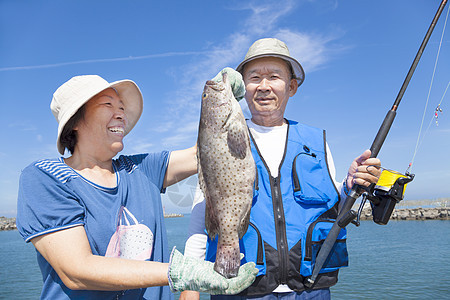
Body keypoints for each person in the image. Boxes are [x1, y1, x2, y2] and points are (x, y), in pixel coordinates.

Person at [16, 75, 258, 299]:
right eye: (107, 105)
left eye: (122, 107)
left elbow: (211, 149)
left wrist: (222, 92)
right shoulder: (45, 177)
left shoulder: (142, 169)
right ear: (75, 121)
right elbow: (76, 270)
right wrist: (181, 272)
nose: (120, 113)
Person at [179, 38, 382, 300]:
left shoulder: (315, 142)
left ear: (292, 86)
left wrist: (351, 184)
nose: (263, 86)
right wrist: (190, 288)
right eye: (254, 78)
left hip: (311, 290)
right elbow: (201, 218)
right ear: (242, 87)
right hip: (240, 289)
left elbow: (336, 206)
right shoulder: (219, 137)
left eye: (274, 77)